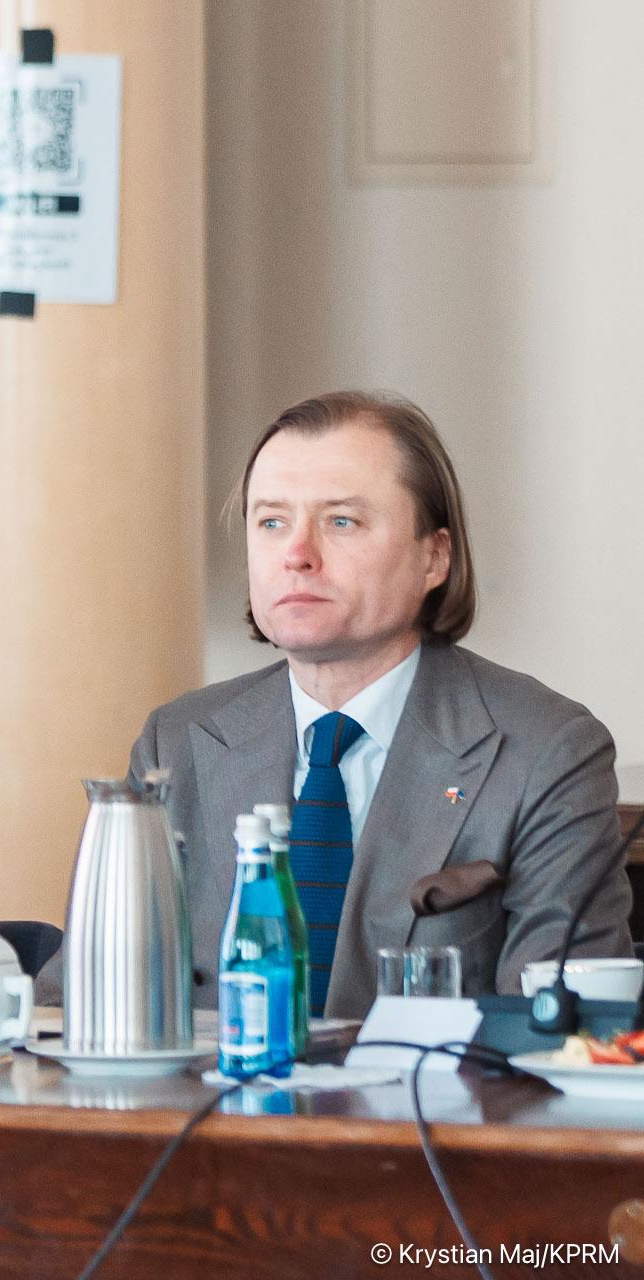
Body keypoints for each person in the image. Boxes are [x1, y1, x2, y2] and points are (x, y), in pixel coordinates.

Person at [123, 391, 630, 1016]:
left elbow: (561, 1033)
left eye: (341, 521)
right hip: (211, 1084)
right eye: (272, 522)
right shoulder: (177, 740)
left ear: (433, 557)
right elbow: (84, 1002)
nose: (296, 554)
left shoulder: (545, 749)